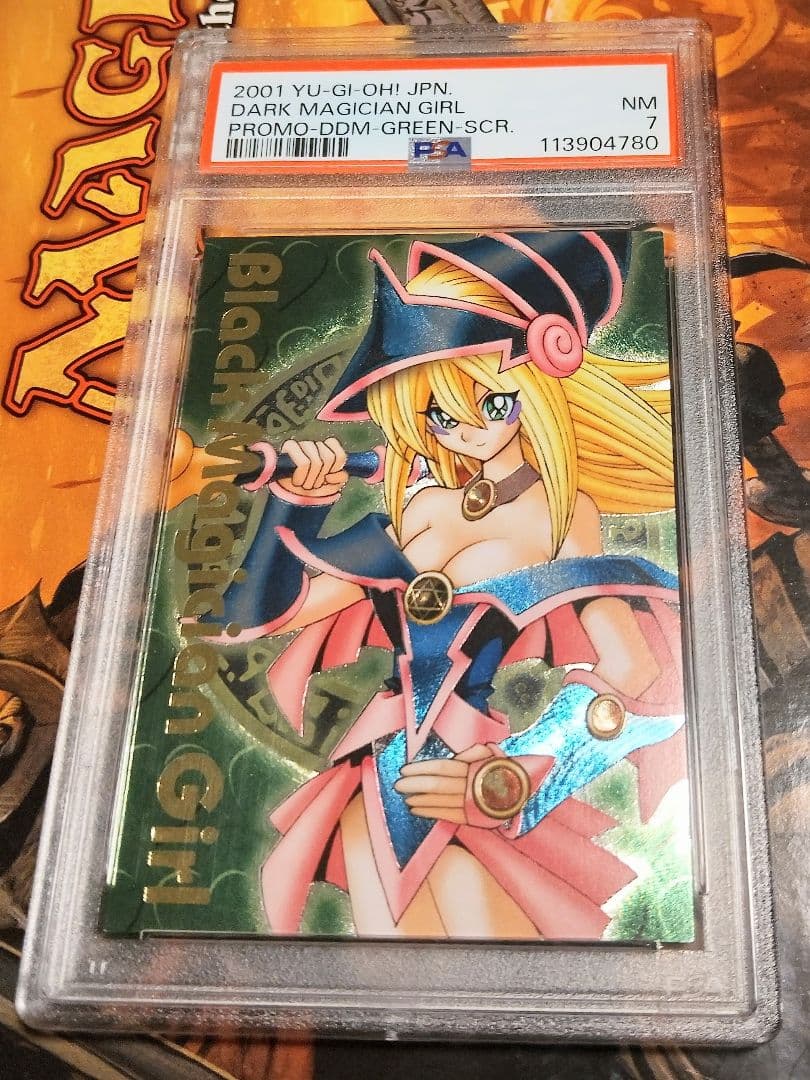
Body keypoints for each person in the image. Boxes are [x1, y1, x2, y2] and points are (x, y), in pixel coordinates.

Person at [218, 231, 686, 940]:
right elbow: (257, 616)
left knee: (496, 957)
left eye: (491, 404)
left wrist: (517, 775)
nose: (462, 431)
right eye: (438, 414)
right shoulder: (420, 509)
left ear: (541, 388)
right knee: (391, 970)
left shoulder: (562, 513)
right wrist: (296, 504)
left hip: (471, 776)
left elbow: (636, 671)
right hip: (380, 777)